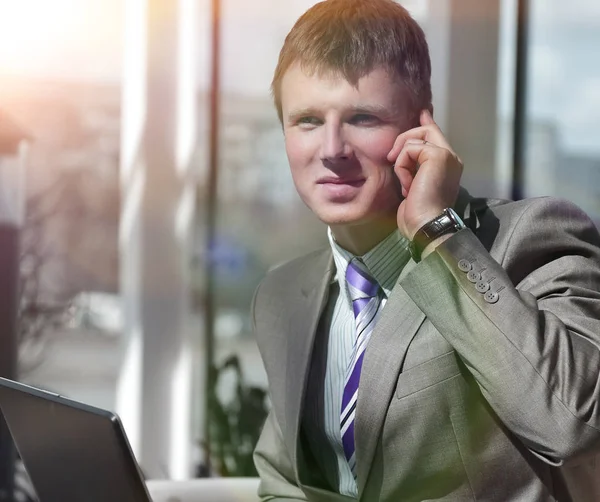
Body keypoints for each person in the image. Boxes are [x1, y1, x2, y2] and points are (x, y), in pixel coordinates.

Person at [251, 0, 600, 500]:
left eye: (363, 118)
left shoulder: (528, 239)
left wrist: (438, 235)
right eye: (306, 120)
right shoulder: (283, 294)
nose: (331, 149)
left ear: (422, 127)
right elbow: (285, 482)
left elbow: (574, 424)